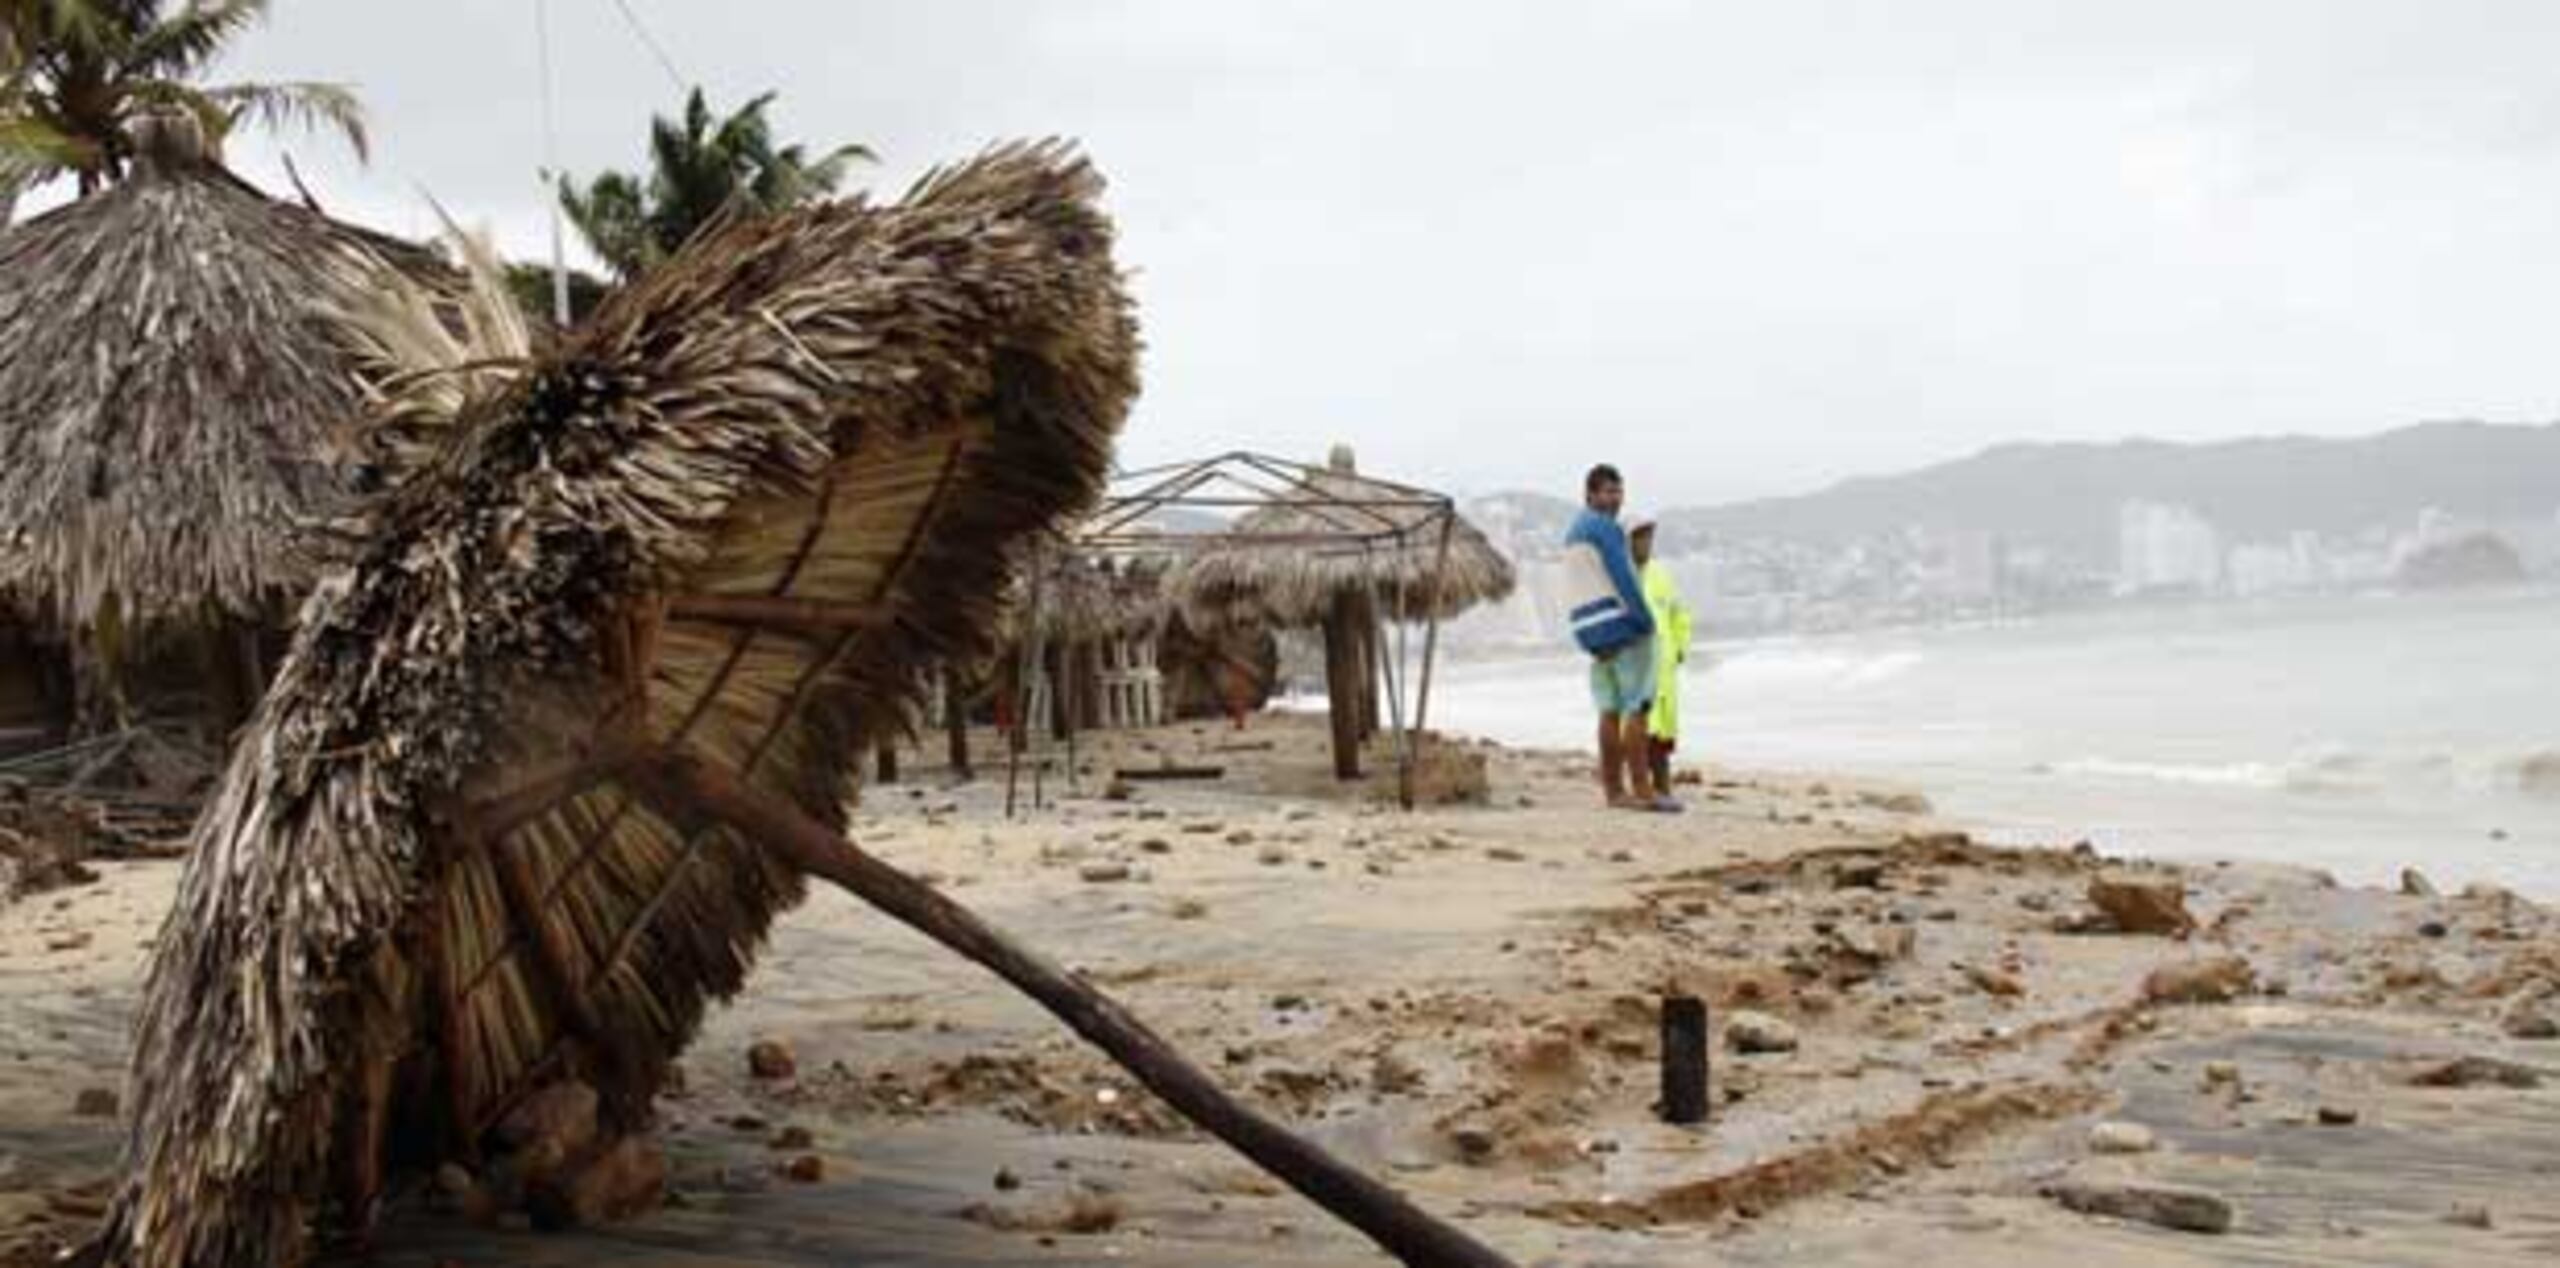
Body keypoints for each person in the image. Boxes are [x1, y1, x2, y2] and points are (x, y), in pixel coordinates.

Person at [1562, 464, 1679, 811]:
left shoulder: (1572, 533)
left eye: (1618, 491)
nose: (1615, 499)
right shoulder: (1604, 529)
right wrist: (1645, 621)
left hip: (1590, 632)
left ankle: (1614, 792)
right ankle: (1643, 791)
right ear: (1590, 494)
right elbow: (1622, 576)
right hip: (1620, 626)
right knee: (1637, 709)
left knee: (1608, 711)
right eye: (1608, 491)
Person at [1628, 517, 1694, 794]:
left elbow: (1679, 613)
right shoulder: (1620, 575)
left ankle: (1664, 787)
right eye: (1639, 538)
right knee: (1639, 727)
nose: (1646, 544)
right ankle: (1642, 788)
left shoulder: (1660, 574)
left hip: (1664, 665)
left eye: (1649, 538)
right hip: (1635, 663)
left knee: (1663, 730)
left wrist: (1680, 648)